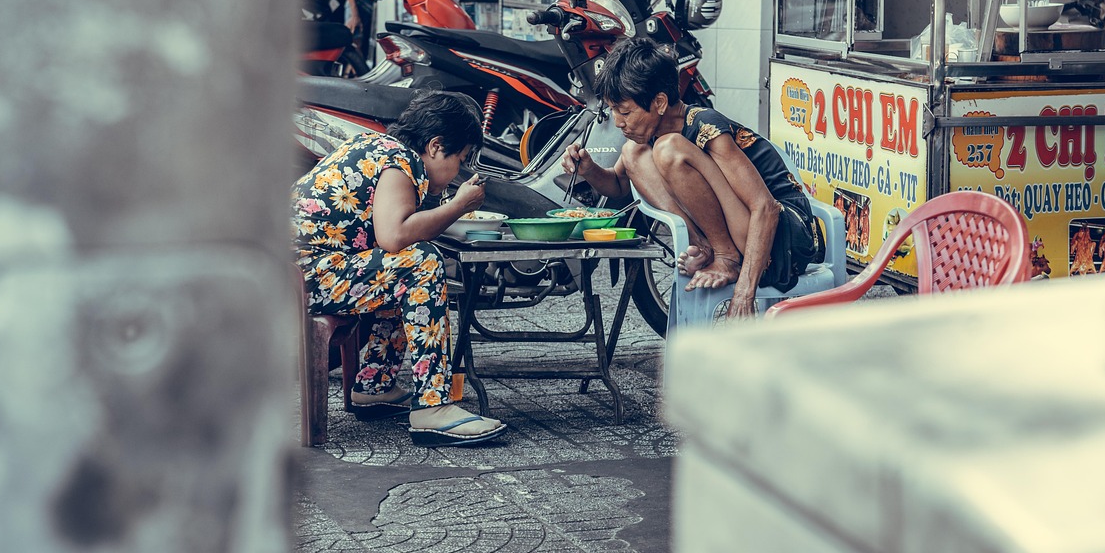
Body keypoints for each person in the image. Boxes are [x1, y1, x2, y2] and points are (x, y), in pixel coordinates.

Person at [292, 91, 508, 446]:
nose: (459, 171)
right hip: (305, 275)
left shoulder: (376, 145)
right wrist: (457, 205)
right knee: (421, 262)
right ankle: (432, 408)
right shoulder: (400, 161)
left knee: (400, 266)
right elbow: (394, 236)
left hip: (297, 270)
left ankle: (375, 384)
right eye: (461, 158)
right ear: (436, 146)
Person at [561, 38, 824, 320]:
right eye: (613, 111)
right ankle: (708, 248)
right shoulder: (646, 138)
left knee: (668, 149)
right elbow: (618, 185)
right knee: (633, 154)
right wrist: (589, 169)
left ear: (659, 102)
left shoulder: (705, 125)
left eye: (625, 112)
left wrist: (744, 295)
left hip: (784, 237)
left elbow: (766, 208)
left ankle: (725, 257)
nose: (618, 122)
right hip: (745, 232)